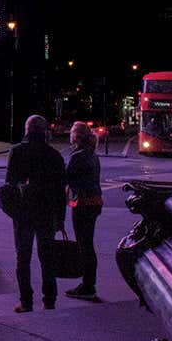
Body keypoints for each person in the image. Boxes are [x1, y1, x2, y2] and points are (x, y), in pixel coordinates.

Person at [4, 114, 66, 312]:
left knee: (23, 258)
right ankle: (50, 299)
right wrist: (61, 218)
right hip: (46, 212)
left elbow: (9, 184)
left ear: (27, 130)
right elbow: (60, 190)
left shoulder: (17, 152)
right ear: (44, 131)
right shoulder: (54, 155)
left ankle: (26, 301)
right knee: (47, 258)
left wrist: (13, 209)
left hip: (23, 213)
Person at [64, 121, 102, 300]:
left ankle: (88, 286)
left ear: (76, 136)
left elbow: (66, 178)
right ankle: (89, 283)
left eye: (71, 132)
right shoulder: (92, 154)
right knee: (87, 243)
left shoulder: (78, 156)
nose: (69, 135)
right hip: (94, 203)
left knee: (84, 244)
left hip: (83, 204)